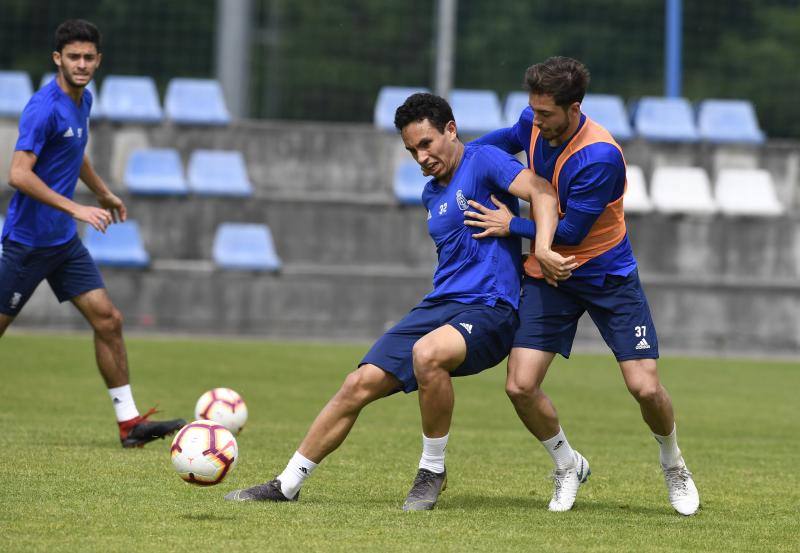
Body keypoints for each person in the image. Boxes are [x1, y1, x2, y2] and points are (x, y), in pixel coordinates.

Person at [225, 92, 568, 510]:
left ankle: (432, 471)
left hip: (490, 308)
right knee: (357, 384)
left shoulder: (483, 161)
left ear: (451, 131)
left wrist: (536, 242)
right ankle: (287, 484)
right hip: (440, 305)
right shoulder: (430, 194)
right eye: (411, 150)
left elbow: (543, 192)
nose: (420, 157)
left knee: (428, 354)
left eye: (426, 144)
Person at [465, 56, 700, 516]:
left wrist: (510, 223)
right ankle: (567, 464)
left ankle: (673, 463)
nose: (536, 120)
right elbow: (498, 145)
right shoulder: (533, 121)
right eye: (533, 110)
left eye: (546, 113)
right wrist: (463, 160)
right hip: (551, 276)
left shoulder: (600, 157)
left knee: (645, 388)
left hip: (607, 275)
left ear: (574, 108)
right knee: (519, 386)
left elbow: (571, 233)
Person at [0, 19, 185, 447]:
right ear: (57, 60)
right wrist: (76, 206)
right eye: (73, 57)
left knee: (109, 320)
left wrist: (102, 193)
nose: (81, 64)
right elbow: (18, 174)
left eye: (88, 57)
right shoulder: (43, 107)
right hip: (27, 244)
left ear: (98, 60)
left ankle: (129, 424)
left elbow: (73, 150)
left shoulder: (83, 101)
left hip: (62, 243)